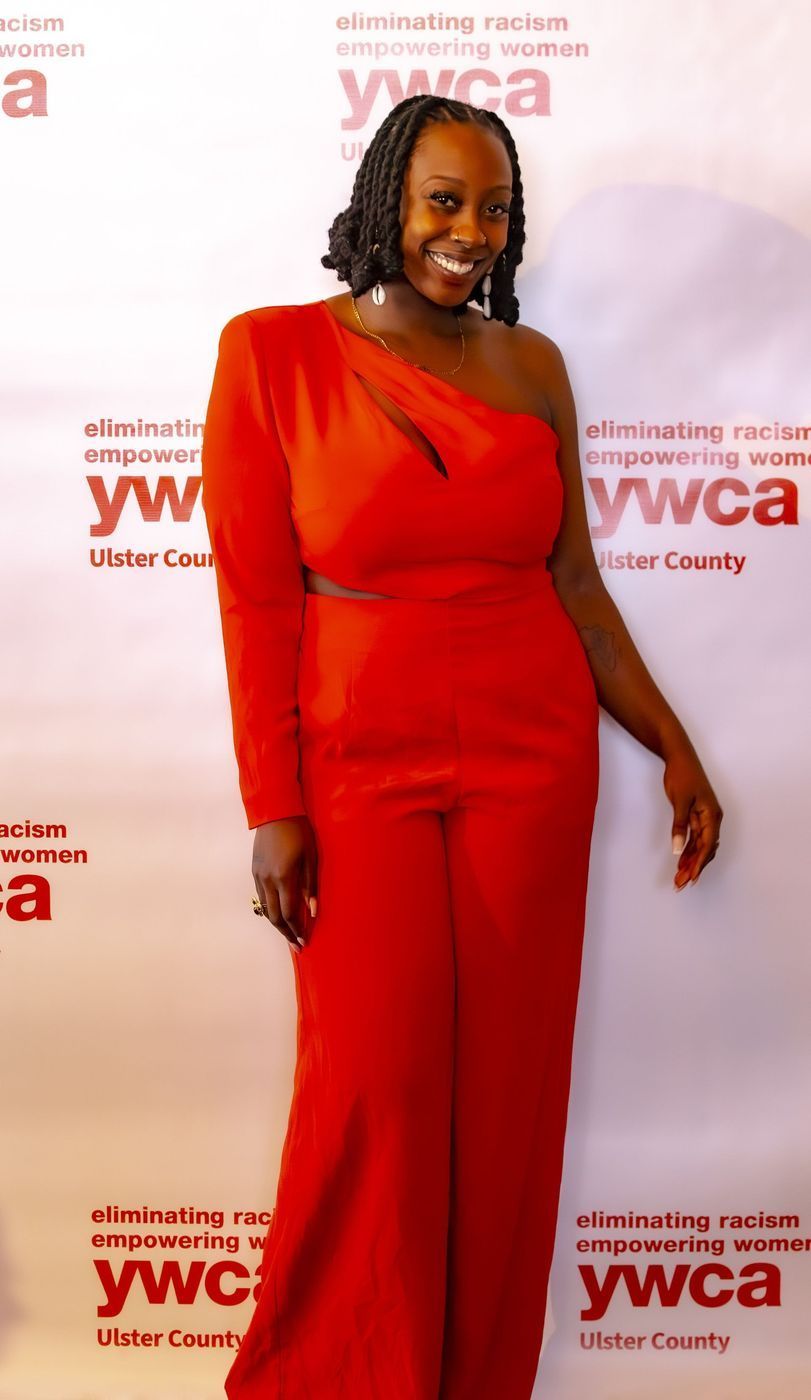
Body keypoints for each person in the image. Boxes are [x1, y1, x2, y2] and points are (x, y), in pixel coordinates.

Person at [201, 94, 723, 1400]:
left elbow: (581, 590)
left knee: (503, 1099)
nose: (471, 233)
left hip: (532, 750)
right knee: (375, 1086)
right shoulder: (270, 353)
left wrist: (674, 745)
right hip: (359, 750)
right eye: (445, 200)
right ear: (388, 200)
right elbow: (258, 597)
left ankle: (477, 1378)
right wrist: (276, 800)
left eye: (493, 207)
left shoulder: (532, 367)